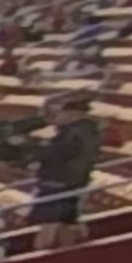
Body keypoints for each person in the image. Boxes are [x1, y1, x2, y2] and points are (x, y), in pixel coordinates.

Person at [30, 93, 103, 251]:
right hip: (68, 184)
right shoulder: (83, 131)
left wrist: (36, 152)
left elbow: (58, 156)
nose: (54, 117)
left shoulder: (74, 134)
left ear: (73, 114)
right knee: (66, 225)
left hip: (59, 185)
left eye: (58, 113)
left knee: (49, 227)